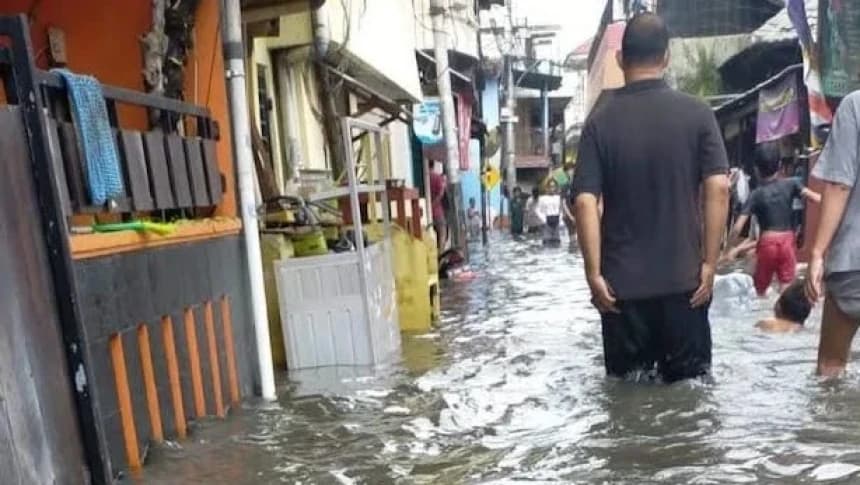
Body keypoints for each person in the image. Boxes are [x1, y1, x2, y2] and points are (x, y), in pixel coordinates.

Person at [572, 13, 730, 383]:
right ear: (667, 58)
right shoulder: (698, 114)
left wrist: (593, 274)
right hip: (686, 286)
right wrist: (709, 263)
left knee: (627, 403)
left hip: (620, 293)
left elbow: (584, 203)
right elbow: (719, 187)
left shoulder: (599, 124)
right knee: (688, 404)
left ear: (619, 60)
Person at [805, 91, 860, 378]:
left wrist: (817, 253)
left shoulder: (855, 105)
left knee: (830, 369)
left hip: (854, 263)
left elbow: (840, 184)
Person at [728, 143, 820, 296]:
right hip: (787, 242)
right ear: (779, 165)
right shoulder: (792, 184)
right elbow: (816, 198)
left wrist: (729, 249)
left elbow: (737, 228)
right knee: (786, 288)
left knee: (760, 290)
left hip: (766, 243)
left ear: (756, 169)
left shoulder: (756, 194)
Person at [428, 160, 448, 252]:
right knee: (442, 233)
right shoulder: (436, 177)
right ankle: (441, 254)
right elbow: (441, 192)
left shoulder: (424, 177)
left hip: (426, 212)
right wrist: (434, 204)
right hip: (437, 212)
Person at [537, 179, 563, 246]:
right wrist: (544, 219)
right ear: (547, 188)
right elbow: (538, 210)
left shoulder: (558, 198)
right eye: (550, 186)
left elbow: (561, 210)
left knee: (557, 242)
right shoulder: (542, 198)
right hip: (547, 220)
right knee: (546, 242)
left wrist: (560, 219)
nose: (552, 188)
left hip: (556, 220)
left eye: (553, 186)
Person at [561, 163, 577, 243]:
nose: (571, 172)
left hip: (579, 213)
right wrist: (570, 216)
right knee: (573, 239)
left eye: (572, 170)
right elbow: (563, 203)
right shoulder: (565, 185)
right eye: (569, 170)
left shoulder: (578, 184)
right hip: (569, 215)